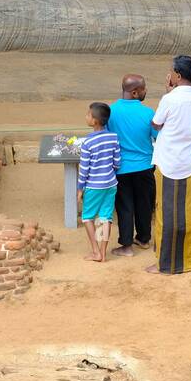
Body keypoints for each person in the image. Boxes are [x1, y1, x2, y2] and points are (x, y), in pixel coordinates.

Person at [148, 55, 191, 275]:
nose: (169, 74)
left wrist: (167, 92)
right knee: (188, 214)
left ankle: (165, 264)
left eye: (171, 71)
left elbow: (156, 123)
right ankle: (188, 261)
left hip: (169, 163)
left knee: (166, 215)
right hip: (188, 162)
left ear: (177, 75)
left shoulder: (170, 99)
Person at [108, 74, 158, 256]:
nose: (146, 91)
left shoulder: (110, 112)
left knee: (124, 206)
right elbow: (158, 137)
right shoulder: (149, 113)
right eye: (144, 88)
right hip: (145, 167)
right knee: (145, 204)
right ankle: (144, 239)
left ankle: (127, 246)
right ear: (135, 92)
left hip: (120, 168)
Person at [77, 102, 121, 264]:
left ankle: (95, 251)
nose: (86, 116)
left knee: (87, 217)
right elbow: (117, 162)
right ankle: (103, 253)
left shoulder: (88, 142)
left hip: (93, 186)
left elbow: (84, 169)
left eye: (88, 114)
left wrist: (80, 188)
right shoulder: (113, 137)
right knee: (105, 217)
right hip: (110, 184)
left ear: (94, 121)